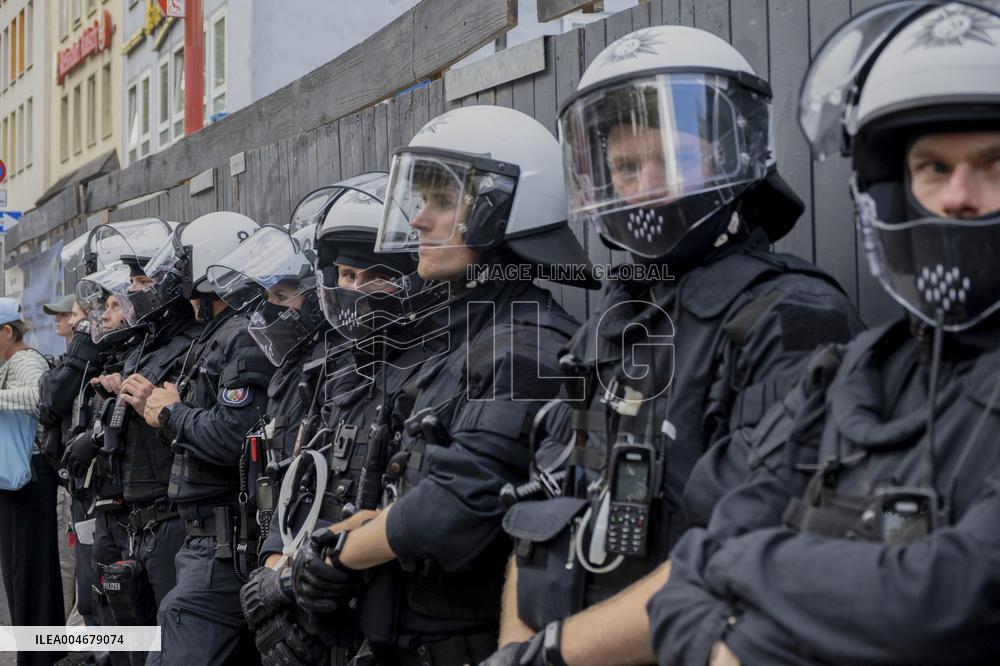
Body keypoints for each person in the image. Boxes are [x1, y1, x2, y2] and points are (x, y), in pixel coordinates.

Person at [482, 25, 864, 666]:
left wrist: (545, 656)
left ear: (734, 155)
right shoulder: (605, 327)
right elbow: (540, 503)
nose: (647, 187)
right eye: (627, 167)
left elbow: (742, 552)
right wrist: (515, 648)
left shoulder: (792, 317)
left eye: (676, 160)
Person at [648, 3, 1000, 664]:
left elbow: (943, 601)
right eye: (932, 169)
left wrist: (743, 573)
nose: (958, 196)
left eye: (994, 163)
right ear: (894, 191)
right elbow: (681, 587)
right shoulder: (845, 374)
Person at [288, 106, 595, 665]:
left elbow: (459, 503)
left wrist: (341, 556)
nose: (420, 220)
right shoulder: (466, 336)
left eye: (443, 203)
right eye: (421, 200)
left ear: (508, 213)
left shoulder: (526, 343)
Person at [237, 174, 425, 664]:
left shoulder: (435, 366)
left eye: (371, 275)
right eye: (345, 275)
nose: (354, 289)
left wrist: (312, 568)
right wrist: (277, 569)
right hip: (320, 604)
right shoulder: (337, 371)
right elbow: (303, 474)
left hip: (389, 608)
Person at [121, 212, 275, 665]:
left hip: (221, 551)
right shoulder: (219, 336)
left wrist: (170, 413)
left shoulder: (242, 336)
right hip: (201, 544)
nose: (180, 288)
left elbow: (234, 437)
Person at [0, 298, 63, 666]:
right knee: (20, 574)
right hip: (18, 481)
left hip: (31, 479)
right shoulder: (10, 363)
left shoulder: (27, 361)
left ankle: (40, 657)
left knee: (30, 574)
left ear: (8, 332)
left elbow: (38, 397)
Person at [40, 292, 86, 621]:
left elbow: (51, 402)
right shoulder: (64, 361)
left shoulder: (83, 362)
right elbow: (45, 406)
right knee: (67, 567)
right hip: (66, 479)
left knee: (78, 568)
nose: (58, 319)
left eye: (65, 313)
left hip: (81, 485)